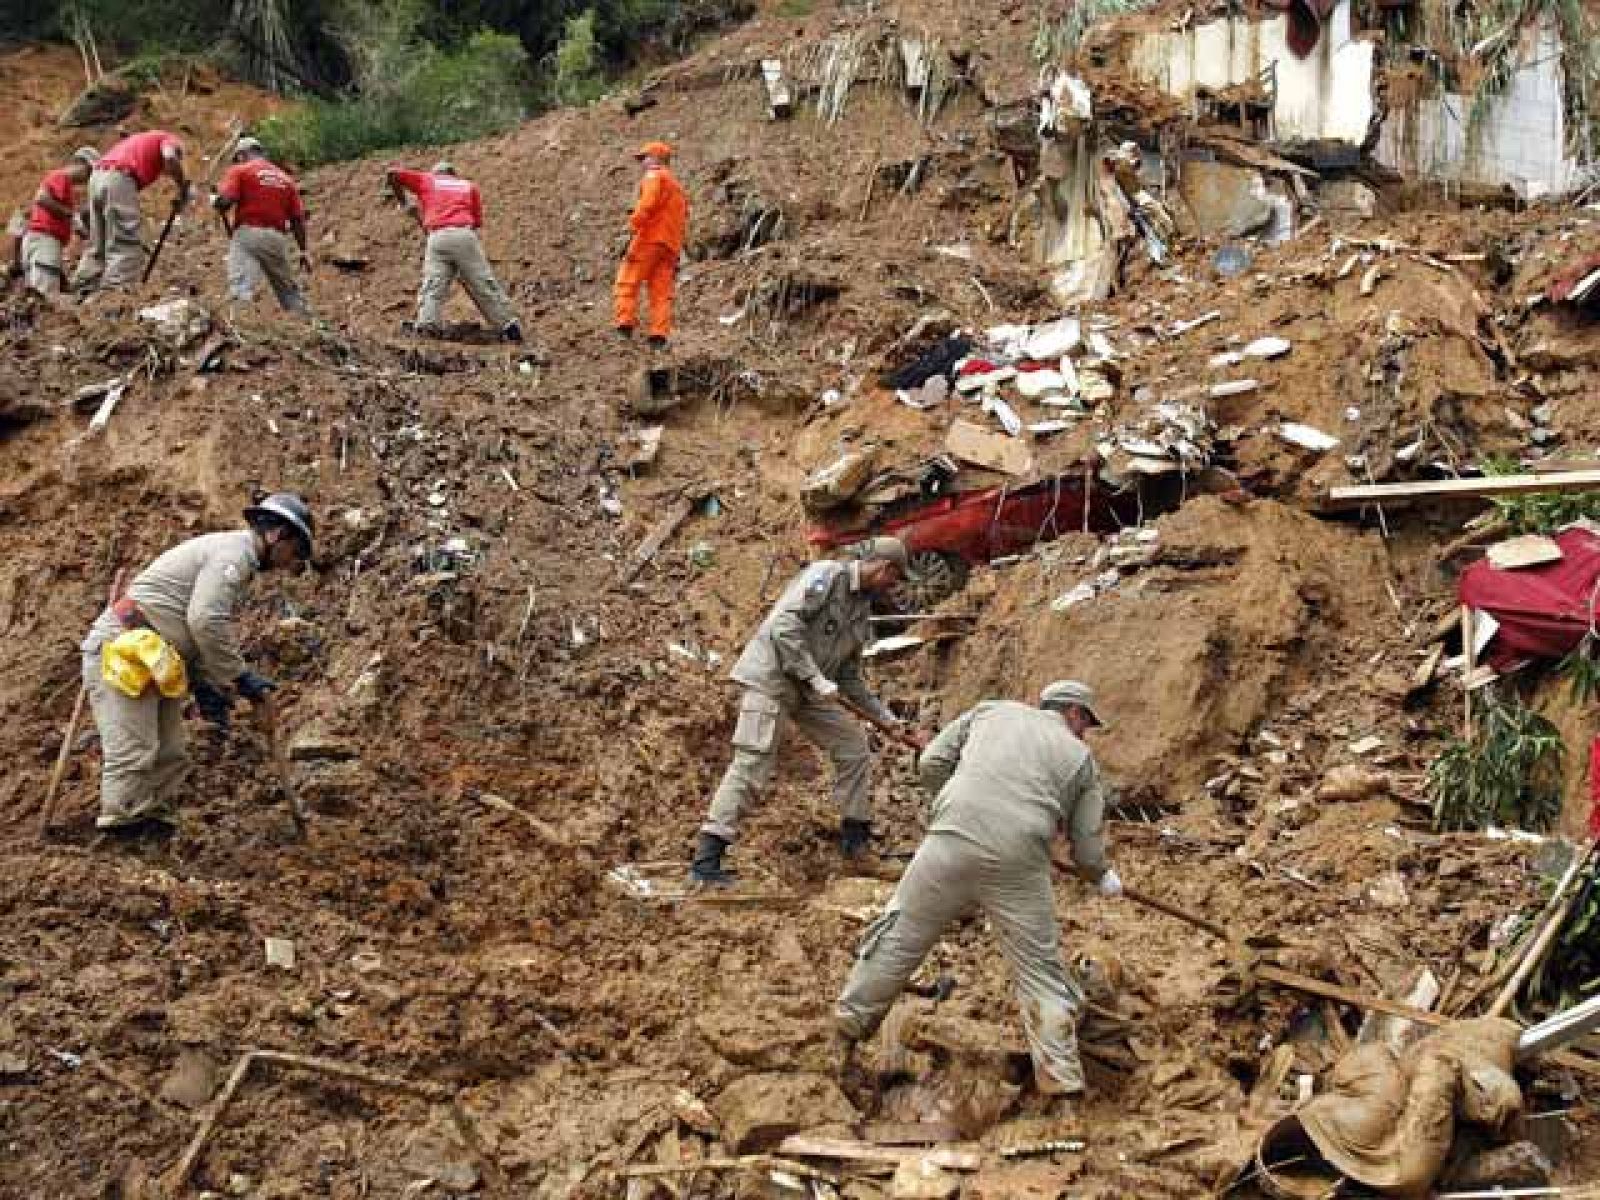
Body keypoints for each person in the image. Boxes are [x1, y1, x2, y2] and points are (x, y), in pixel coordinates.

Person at [833, 681, 1123, 1103]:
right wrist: (1100, 875)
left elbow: (931, 763)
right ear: (1075, 714)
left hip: (950, 836)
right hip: (1019, 857)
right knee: (1040, 972)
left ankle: (843, 1038)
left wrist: (959, 800)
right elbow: (1087, 845)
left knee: (898, 937)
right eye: (1086, 724)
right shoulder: (1079, 759)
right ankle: (1062, 1093)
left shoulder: (991, 711)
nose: (1085, 734)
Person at [690, 537, 925, 885]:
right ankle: (707, 861)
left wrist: (889, 721)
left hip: (811, 690)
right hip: (774, 678)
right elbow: (783, 628)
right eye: (894, 577)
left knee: (853, 748)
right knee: (753, 762)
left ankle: (855, 848)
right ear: (883, 567)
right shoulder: (826, 577)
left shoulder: (861, 612)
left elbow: (849, 677)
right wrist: (815, 677)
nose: (893, 585)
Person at [80, 494, 314, 831]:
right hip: (125, 649)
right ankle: (120, 832)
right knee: (134, 750)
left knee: (170, 753)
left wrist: (206, 683)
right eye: (296, 552)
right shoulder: (235, 554)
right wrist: (239, 676)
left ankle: (150, 826)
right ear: (278, 534)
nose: (290, 563)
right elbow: (205, 620)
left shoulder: (235, 557)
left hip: (157, 657)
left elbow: (192, 628)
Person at [384, 160, 522, 342]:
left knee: (433, 284)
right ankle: (508, 326)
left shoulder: (427, 180)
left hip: (437, 238)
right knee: (482, 281)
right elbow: (477, 222)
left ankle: (427, 324)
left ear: (436, 173)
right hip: (463, 235)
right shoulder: (468, 186)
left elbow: (392, 173)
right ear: (453, 174)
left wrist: (404, 202)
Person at [73, 129, 189, 291]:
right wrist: (182, 185)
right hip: (118, 177)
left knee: (98, 240)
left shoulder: (136, 143)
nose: (166, 173)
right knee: (126, 242)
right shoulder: (169, 139)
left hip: (97, 177)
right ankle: (114, 291)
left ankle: (84, 283)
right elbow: (170, 157)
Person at [212, 136, 311, 314]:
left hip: (248, 234)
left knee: (240, 286)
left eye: (237, 158)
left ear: (242, 155)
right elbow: (297, 218)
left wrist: (217, 202)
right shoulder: (286, 179)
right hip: (277, 239)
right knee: (288, 291)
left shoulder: (240, 171)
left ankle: (240, 328)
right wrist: (303, 250)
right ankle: (308, 324)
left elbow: (227, 201)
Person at [614, 140, 689, 348]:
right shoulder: (678, 188)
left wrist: (630, 227)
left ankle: (624, 324)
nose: (642, 163)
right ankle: (658, 335)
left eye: (644, 157)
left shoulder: (654, 175)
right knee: (661, 291)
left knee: (628, 278)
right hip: (670, 246)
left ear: (657, 159)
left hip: (650, 238)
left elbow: (647, 203)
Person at [20, 146, 98, 297]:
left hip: (39, 241)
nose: (87, 179)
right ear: (81, 164)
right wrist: (70, 214)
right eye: (89, 173)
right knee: (45, 295)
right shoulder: (61, 176)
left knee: (36, 295)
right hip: (45, 240)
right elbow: (42, 198)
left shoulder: (64, 183)